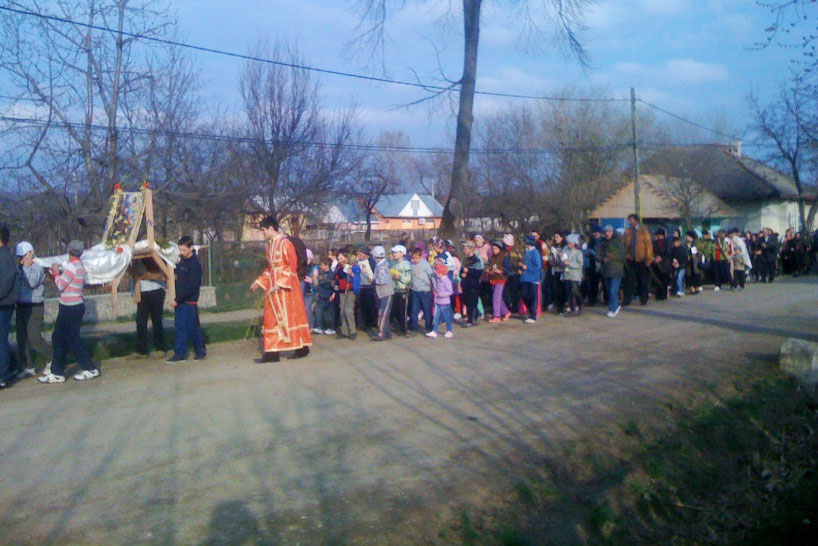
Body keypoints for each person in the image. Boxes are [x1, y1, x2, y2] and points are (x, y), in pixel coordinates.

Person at [250, 216, 312, 362]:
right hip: (273, 286)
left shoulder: (286, 244)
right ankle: (272, 352)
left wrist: (280, 283)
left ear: (271, 228)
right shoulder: (270, 246)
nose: (263, 233)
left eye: (263, 230)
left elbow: (292, 266)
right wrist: (258, 281)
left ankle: (302, 347)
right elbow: (270, 268)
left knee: (292, 317)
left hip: (286, 288)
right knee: (271, 318)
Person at [38, 239, 100, 383]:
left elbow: (60, 285)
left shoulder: (72, 267)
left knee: (72, 339)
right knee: (58, 337)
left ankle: (89, 368)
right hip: (71, 306)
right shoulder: (79, 266)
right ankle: (57, 371)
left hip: (70, 307)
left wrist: (55, 273)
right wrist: (59, 273)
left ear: (68, 251)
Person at [167, 236, 207, 363]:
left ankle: (200, 351)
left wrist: (177, 299)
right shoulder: (181, 263)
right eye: (180, 250)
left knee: (193, 328)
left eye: (184, 250)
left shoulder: (194, 265)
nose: (182, 253)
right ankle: (180, 353)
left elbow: (191, 286)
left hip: (189, 302)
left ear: (191, 248)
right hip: (181, 302)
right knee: (180, 328)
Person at [14, 241, 51, 378]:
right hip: (21, 306)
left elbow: (32, 282)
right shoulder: (18, 268)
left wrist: (26, 268)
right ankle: (27, 366)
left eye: (24, 255)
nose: (22, 259)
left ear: (31, 253)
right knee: (21, 338)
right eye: (20, 256)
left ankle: (53, 358)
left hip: (35, 306)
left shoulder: (37, 267)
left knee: (34, 337)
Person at [131, 258, 167, 359]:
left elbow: (159, 274)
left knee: (156, 320)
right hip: (142, 291)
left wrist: (144, 275)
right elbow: (134, 272)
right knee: (140, 321)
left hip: (157, 289)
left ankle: (160, 348)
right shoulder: (136, 257)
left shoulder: (156, 254)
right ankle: (141, 349)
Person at [0, 226, 19, 389]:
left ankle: (3, 375)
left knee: (1, 340)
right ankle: (11, 368)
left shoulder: (4, 257)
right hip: (4, 303)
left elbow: (4, 284)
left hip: (3, 304)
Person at [622, 214, 654, 306]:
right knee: (629, 281)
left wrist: (649, 259)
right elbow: (624, 245)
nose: (630, 223)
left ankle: (643, 299)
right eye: (629, 221)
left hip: (642, 259)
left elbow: (648, 245)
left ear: (636, 221)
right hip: (631, 260)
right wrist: (627, 255)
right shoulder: (627, 232)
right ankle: (626, 300)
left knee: (643, 281)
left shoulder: (643, 231)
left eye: (631, 221)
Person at [597, 225, 624, 318]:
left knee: (613, 290)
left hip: (616, 270)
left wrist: (612, 256)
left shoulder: (618, 243)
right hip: (606, 270)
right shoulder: (601, 243)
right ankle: (615, 306)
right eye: (606, 232)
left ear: (613, 233)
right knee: (609, 291)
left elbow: (623, 257)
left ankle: (612, 309)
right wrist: (602, 259)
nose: (607, 233)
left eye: (609, 232)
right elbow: (597, 255)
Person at [334, 249, 360, 340]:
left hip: (350, 290)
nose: (339, 260)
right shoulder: (338, 268)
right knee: (342, 311)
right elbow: (337, 280)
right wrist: (335, 291)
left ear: (346, 257)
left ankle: (353, 330)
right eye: (338, 258)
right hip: (342, 291)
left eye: (341, 258)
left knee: (348, 310)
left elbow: (357, 275)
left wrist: (352, 273)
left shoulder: (353, 266)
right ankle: (345, 331)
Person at [372, 245, 394, 341]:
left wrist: (373, 280)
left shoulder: (382, 266)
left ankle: (382, 333)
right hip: (383, 293)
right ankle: (387, 332)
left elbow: (382, 280)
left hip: (386, 292)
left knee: (383, 313)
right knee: (383, 312)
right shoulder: (383, 264)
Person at [409, 248, 434, 334]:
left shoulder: (425, 265)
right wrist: (410, 284)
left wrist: (434, 287)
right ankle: (414, 328)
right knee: (414, 310)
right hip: (415, 291)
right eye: (412, 258)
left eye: (416, 258)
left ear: (420, 257)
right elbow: (411, 277)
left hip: (425, 291)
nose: (414, 260)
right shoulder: (411, 265)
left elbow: (431, 275)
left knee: (427, 310)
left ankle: (429, 326)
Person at [459, 241, 484, 327]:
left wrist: (469, 271)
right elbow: (461, 272)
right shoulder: (464, 260)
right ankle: (476, 314)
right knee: (466, 301)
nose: (464, 250)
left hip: (473, 285)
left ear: (471, 249)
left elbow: (479, 271)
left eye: (465, 248)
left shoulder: (476, 259)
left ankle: (470, 320)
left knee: (472, 302)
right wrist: (462, 274)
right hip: (465, 285)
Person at [427, 263, 454, 338]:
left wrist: (441, 294)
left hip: (445, 303)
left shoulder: (446, 280)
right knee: (436, 317)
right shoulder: (439, 279)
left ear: (442, 272)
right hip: (438, 302)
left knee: (447, 317)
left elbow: (450, 291)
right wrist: (435, 292)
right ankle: (434, 331)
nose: (436, 274)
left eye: (438, 272)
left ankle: (449, 331)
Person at [520, 234, 542, 323]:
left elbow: (538, 266)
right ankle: (531, 310)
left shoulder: (535, 252)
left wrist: (527, 267)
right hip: (525, 277)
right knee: (524, 295)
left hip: (533, 278)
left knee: (533, 296)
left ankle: (533, 315)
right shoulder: (526, 252)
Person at [486, 241, 511, 323]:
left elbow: (508, 270)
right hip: (493, 278)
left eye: (496, 248)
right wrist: (488, 270)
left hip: (501, 279)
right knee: (498, 298)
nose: (494, 250)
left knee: (496, 297)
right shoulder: (492, 257)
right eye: (493, 248)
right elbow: (489, 265)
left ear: (500, 249)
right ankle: (505, 312)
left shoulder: (504, 257)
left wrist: (500, 271)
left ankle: (496, 315)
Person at [390, 245, 411, 336]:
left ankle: (405, 330)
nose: (394, 254)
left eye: (396, 252)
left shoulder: (406, 264)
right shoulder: (394, 264)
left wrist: (399, 277)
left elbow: (408, 279)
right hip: (395, 290)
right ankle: (397, 327)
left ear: (402, 253)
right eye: (393, 252)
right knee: (394, 310)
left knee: (402, 311)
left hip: (403, 290)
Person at [356, 248, 378, 330]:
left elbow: (375, 270)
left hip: (369, 286)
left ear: (365, 254)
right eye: (358, 254)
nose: (359, 256)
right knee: (363, 305)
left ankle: (373, 321)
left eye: (360, 254)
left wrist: (374, 279)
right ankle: (365, 323)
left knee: (371, 304)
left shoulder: (370, 261)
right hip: (361, 286)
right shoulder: (359, 262)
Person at [562, 234, 584, 316]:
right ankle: (572, 309)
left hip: (575, 275)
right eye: (568, 243)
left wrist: (569, 263)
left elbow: (580, 265)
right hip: (567, 274)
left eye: (570, 243)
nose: (568, 245)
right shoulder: (565, 250)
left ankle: (580, 304)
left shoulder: (578, 253)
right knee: (568, 293)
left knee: (575, 292)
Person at [314, 259, 336, 335]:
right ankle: (319, 327)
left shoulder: (331, 274)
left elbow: (328, 284)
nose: (321, 267)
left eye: (322, 265)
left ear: (327, 266)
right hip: (321, 295)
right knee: (319, 311)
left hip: (328, 296)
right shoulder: (322, 274)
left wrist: (320, 280)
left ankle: (331, 328)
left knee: (328, 313)